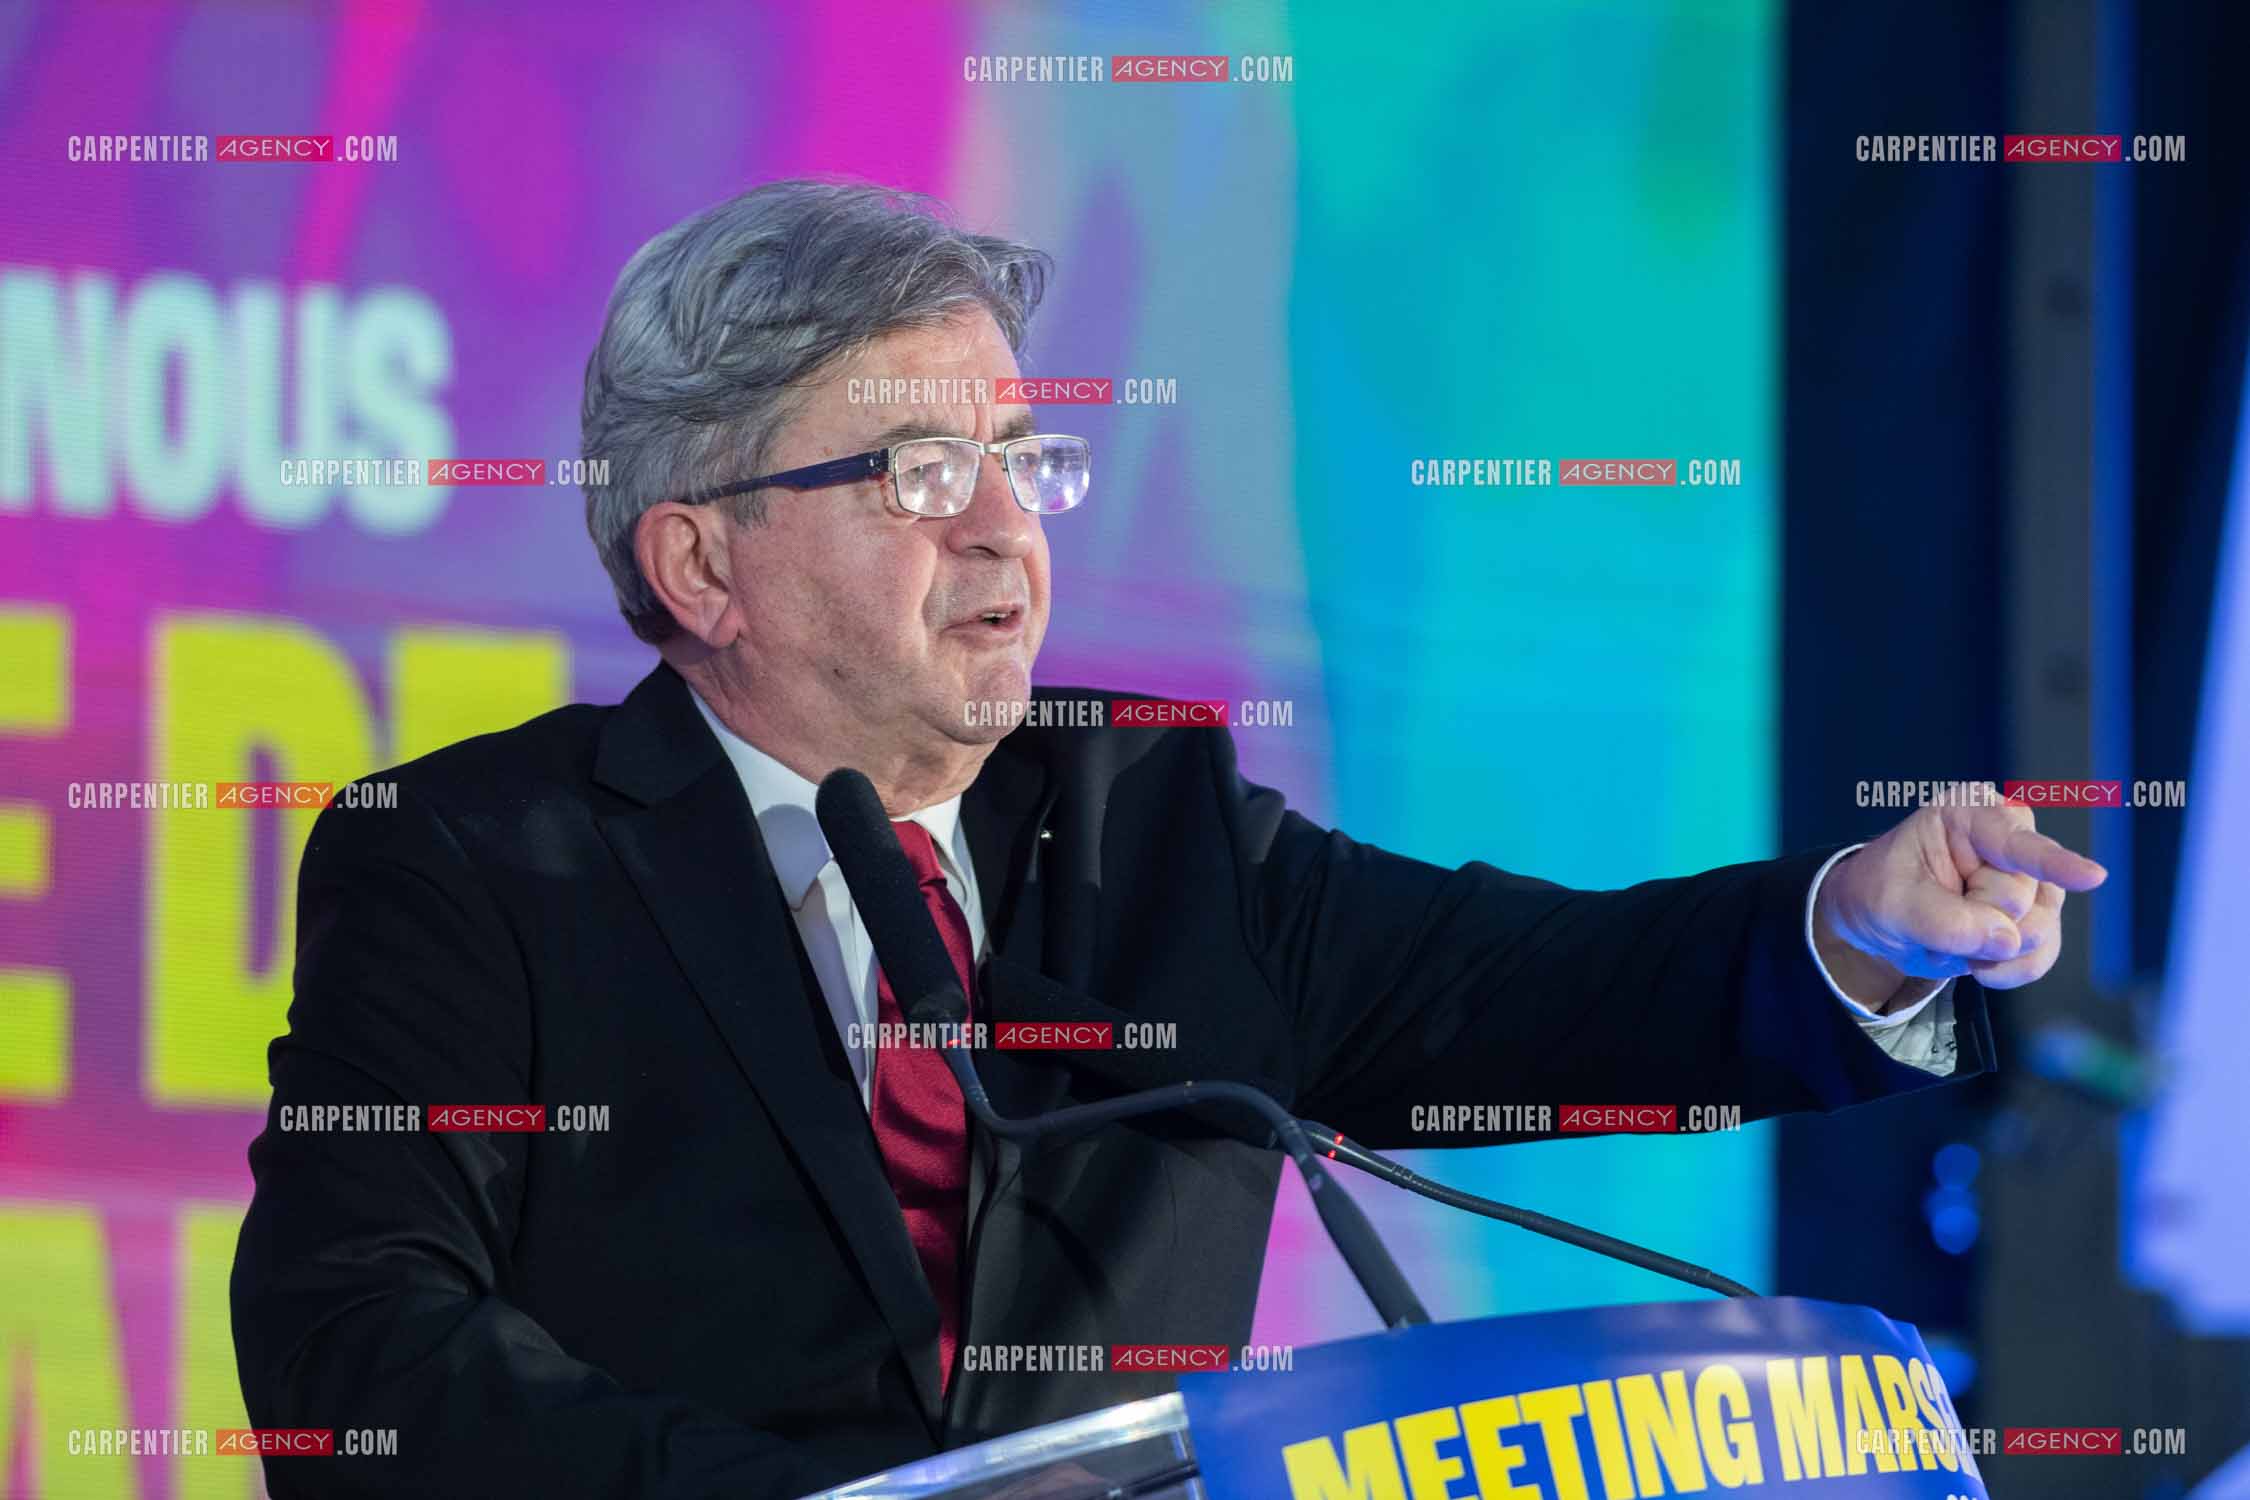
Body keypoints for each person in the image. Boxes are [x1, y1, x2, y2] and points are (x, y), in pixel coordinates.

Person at [229, 179, 2105, 1500]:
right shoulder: (478, 860)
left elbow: (1540, 992)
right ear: (699, 560)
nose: (1002, 531)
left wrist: (1855, 925)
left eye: (1018, 459)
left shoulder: (1152, 825)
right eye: (909, 472)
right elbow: (360, 1350)